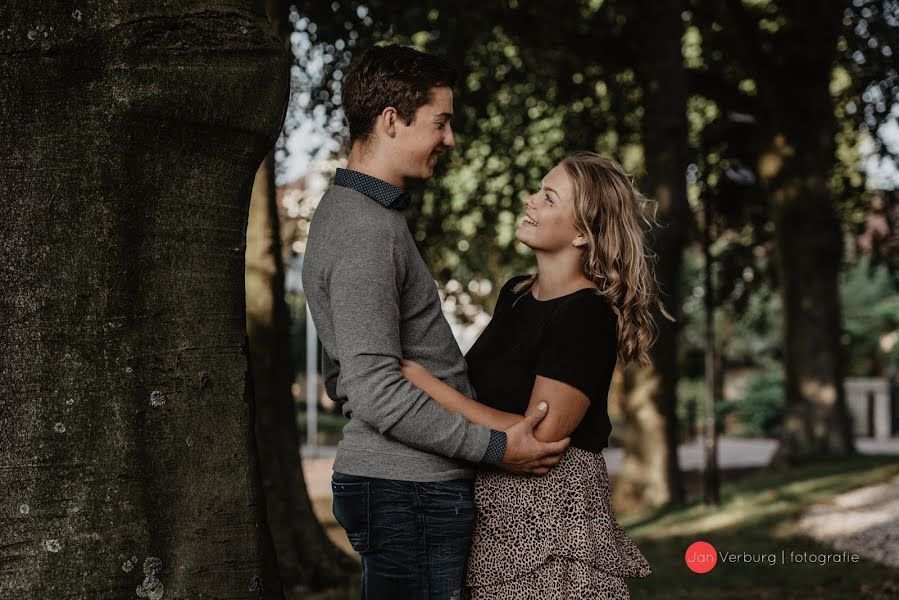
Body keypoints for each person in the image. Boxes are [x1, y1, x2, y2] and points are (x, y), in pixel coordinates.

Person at [301, 44, 570, 600]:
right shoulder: (366, 229)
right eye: (440, 122)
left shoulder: (356, 215)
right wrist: (496, 448)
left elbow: (342, 377)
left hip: (403, 488)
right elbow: (373, 388)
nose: (450, 140)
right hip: (409, 491)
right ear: (392, 121)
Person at [401, 152, 665, 599]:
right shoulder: (515, 294)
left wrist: (428, 387)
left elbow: (541, 435)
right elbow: (497, 408)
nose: (529, 201)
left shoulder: (586, 313)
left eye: (548, 197)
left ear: (582, 232)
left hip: (553, 523)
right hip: (492, 510)